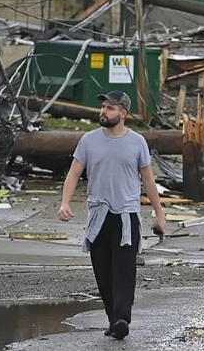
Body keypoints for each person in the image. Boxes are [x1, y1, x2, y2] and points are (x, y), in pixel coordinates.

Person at [57, 90, 167, 340]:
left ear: (123, 113)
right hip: (99, 215)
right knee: (103, 272)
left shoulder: (137, 142)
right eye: (103, 107)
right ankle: (112, 319)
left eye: (110, 108)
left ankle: (121, 318)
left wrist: (159, 215)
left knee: (124, 271)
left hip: (126, 216)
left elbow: (148, 180)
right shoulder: (88, 140)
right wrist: (65, 202)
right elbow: (74, 173)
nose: (103, 112)